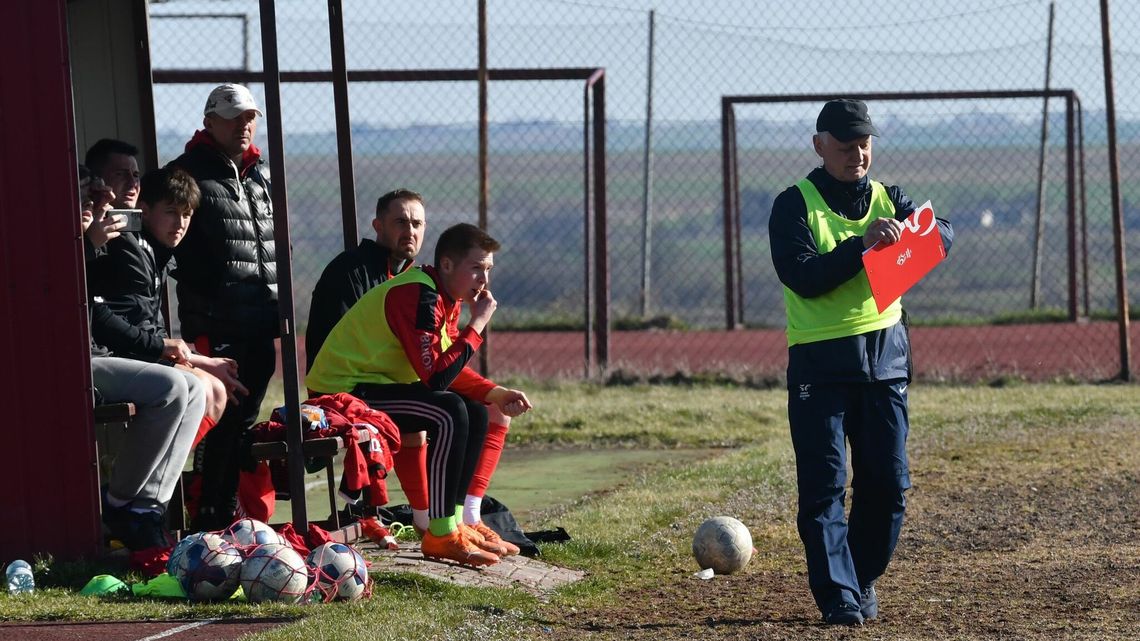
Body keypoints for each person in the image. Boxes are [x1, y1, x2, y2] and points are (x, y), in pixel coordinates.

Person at [767, 99, 954, 626]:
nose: (858, 152)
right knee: (825, 486)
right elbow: (801, 274)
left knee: (889, 485)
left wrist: (925, 236)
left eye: (865, 142)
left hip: (886, 362)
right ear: (819, 144)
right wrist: (862, 247)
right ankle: (840, 600)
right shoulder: (792, 205)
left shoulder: (888, 199)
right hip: (820, 366)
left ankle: (860, 576)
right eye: (846, 143)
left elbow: (942, 232)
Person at [306, 223, 532, 566]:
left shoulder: (444, 297)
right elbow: (438, 377)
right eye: (476, 268)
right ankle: (439, 533)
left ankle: (456, 524)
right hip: (341, 393)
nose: (483, 280)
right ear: (446, 265)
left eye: (488, 270)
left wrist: (494, 393)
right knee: (449, 410)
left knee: (475, 410)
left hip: (375, 386)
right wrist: (477, 326)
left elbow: (444, 367)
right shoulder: (418, 295)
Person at [168, 83, 278, 531]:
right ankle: (207, 515)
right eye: (234, 117)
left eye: (250, 116)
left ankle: (227, 508)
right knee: (220, 419)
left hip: (260, 319)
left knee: (244, 420)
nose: (244, 125)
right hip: (215, 322)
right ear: (209, 121)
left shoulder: (259, 174)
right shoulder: (186, 174)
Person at [80, 165, 206, 551]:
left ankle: (148, 509)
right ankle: (117, 503)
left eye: (98, 201)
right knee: (170, 385)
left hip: (100, 356)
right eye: (87, 200)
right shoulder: (100, 242)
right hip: (76, 361)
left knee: (195, 388)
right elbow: (93, 311)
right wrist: (88, 243)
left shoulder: (123, 242)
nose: (94, 209)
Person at [86, 165, 249, 446]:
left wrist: (198, 359)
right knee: (202, 389)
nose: (180, 223)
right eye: (172, 212)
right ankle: (150, 476)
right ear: (146, 211)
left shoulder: (155, 251)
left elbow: (150, 324)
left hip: (139, 351)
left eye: (186, 214)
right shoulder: (125, 245)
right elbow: (120, 322)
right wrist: (195, 359)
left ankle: (166, 473)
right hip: (118, 356)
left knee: (216, 390)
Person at [304, 188, 431, 531]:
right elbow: (353, 348)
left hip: (379, 383)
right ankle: (376, 514)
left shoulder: (410, 277)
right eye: (400, 221)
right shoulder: (351, 270)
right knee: (428, 415)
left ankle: (434, 516)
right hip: (341, 387)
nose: (410, 231)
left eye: (417, 223)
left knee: (445, 411)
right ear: (378, 225)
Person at [84, 138, 141, 209]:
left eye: (136, 175)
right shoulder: (75, 219)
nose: (132, 183)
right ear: (96, 181)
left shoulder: (146, 220)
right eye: (120, 174)